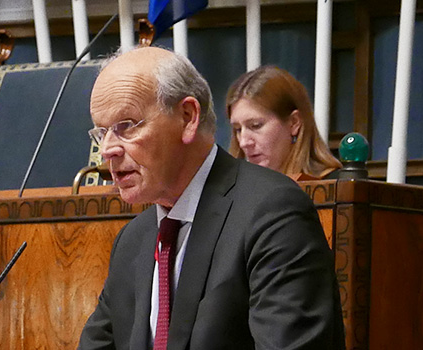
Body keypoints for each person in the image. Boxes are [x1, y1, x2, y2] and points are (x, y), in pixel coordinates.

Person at [78, 47, 343, 349]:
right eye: (102, 133)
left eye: (126, 126)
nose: (107, 150)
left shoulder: (273, 213)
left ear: (188, 117)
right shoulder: (133, 240)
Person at [226, 65, 341, 180]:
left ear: (294, 123)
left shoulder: (339, 189)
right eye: (238, 129)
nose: (244, 143)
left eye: (256, 126)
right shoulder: (234, 188)